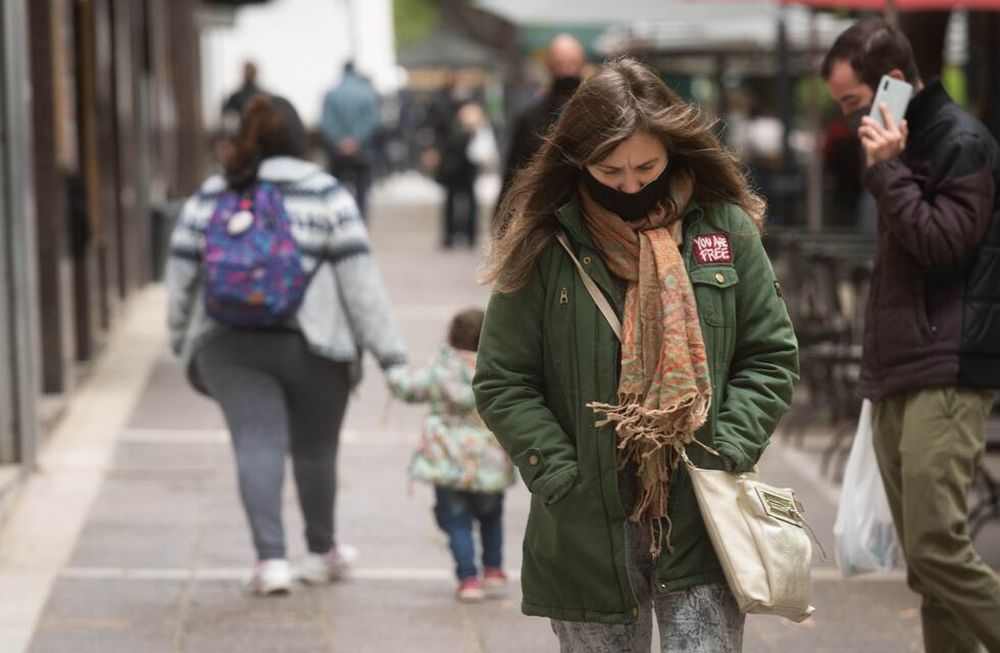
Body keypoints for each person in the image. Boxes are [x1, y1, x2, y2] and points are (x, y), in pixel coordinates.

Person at [473, 57, 799, 652]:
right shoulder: (547, 242)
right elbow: (502, 379)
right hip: (585, 522)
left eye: (646, 166)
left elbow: (770, 356)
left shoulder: (722, 229)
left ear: (673, 150)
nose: (629, 184)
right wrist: (560, 476)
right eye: (609, 168)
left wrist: (726, 448)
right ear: (577, 160)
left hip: (701, 509)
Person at [166, 95, 406, 596]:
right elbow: (360, 283)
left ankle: (270, 561)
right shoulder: (326, 194)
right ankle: (322, 551)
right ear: (301, 138)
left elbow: (182, 275)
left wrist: (179, 337)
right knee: (316, 450)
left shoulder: (212, 193)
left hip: (228, 342)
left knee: (257, 444)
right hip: (316, 345)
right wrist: (390, 355)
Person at [822, 18, 1000, 653]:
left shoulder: (959, 140)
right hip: (902, 368)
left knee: (937, 546)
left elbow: (944, 247)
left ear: (891, 84)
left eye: (852, 103)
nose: (847, 119)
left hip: (947, 368)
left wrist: (888, 172)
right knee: (927, 569)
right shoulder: (901, 144)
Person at [386, 309, 515, 602]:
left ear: (451, 336)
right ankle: (493, 569)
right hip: (489, 461)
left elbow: (407, 388)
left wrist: (392, 370)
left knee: (456, 520)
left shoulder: (441, 369)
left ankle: (468, 578)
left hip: (448, 462)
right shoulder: (498, 368)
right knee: (492, 516)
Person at [496, 34, 586, 227]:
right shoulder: (529, 118)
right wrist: (502, 219)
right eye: (560, 65)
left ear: (582, 65)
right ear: (549, 67)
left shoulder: (596, 113)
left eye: (572, 64)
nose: (567, 72)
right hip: (543, 219)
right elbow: (514, 171)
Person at [320, 61, 381, 220]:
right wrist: (356, 139)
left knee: (335, 192)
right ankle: (360, 222)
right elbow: (373, 120)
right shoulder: (368, 92)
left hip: (337, 152)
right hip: (362, 151)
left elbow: (326, 122)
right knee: (362, 192)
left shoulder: (331, 93)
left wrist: (341, 140)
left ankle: (338, 220)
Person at [435, 101, 495, 248]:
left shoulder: (478, 128)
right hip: (454, 168)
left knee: (470, 201)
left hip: (467, 169)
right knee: (452, 201)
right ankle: (451, 235)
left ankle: (470, 235)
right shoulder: (454, 125)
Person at [222, 61, 265, 129]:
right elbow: (228, 119)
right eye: (247, 71)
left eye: (251, 72)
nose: (248, 74)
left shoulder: (263, 97)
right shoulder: (235, 97)